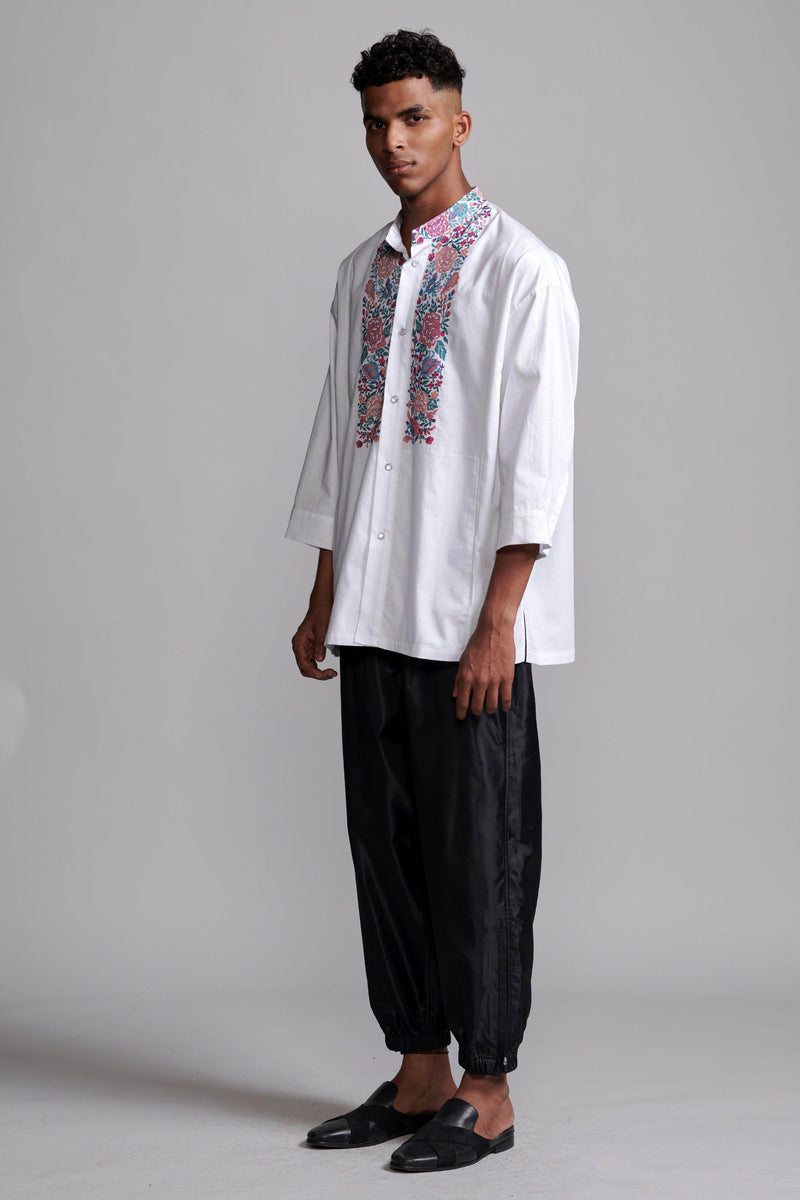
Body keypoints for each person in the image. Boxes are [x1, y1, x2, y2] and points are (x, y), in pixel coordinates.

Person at [284, 27, 580, 1174]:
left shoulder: (520, 270)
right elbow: (340, 444)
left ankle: (486, 1090)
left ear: (459, 122)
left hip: (465, 620)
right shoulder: (361, 274)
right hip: (371, 610)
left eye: (413, 118)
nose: (393, 142)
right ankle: (417, 1072)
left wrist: (500, 619)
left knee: (478, 853)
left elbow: (534, 457)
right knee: (386, 847)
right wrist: (322, 594)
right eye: (376, 122)